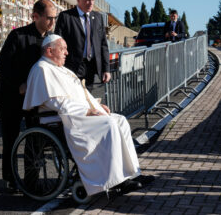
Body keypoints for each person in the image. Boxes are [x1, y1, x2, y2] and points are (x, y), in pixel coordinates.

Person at [23, 34, 154, 196]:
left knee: (120, 121)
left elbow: (81, 93)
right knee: (109, 125)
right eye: (63, 49)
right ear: (50, 51)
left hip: (73, 114)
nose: (66, 53)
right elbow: (55, 103)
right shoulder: (42, 69)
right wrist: (87, 111)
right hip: (60, 119)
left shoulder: (60, 69)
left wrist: (97, 106)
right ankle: (115, 180)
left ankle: (132, 172)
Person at [0, 0, 56, 190]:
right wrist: (19, 84)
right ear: (35, 16)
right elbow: (1, 64)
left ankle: (31, 179)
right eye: (49, 18)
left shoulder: (50, 39)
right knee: (10, 139)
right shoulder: (17, 35)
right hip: (11, 96)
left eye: (54, 19)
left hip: (34, 98)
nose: (52, 23)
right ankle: (11, 179)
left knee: (35, 138)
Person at [55, 0, 111, 91]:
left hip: (91, 67)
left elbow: (103, 44)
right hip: (72, 67)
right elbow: (58, 42)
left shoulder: (98, 18)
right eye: (87, 0)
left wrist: (106, 69)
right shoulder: (66, 17)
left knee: (88, 99)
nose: (91, 3)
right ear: (78, 0)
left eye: (93, 0)